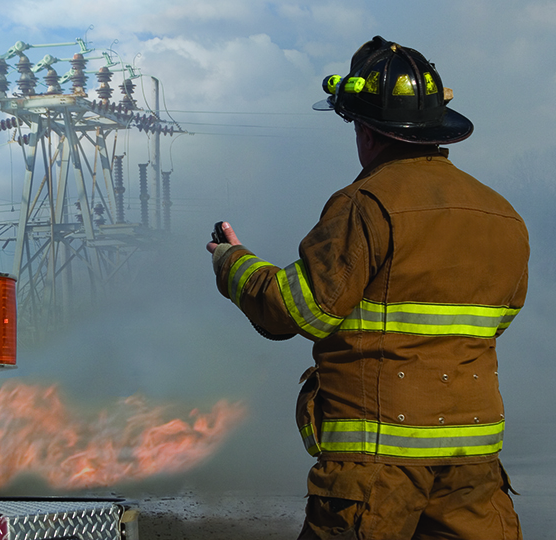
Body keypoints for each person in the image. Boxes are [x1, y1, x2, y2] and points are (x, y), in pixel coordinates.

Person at [206, 36, 528, 540]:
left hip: (377, 469)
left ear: (368, 131)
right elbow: (496, 321)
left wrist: (232, 263)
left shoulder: (365, 204)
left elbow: (295, 310)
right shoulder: (502, 214)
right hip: (472, 465)